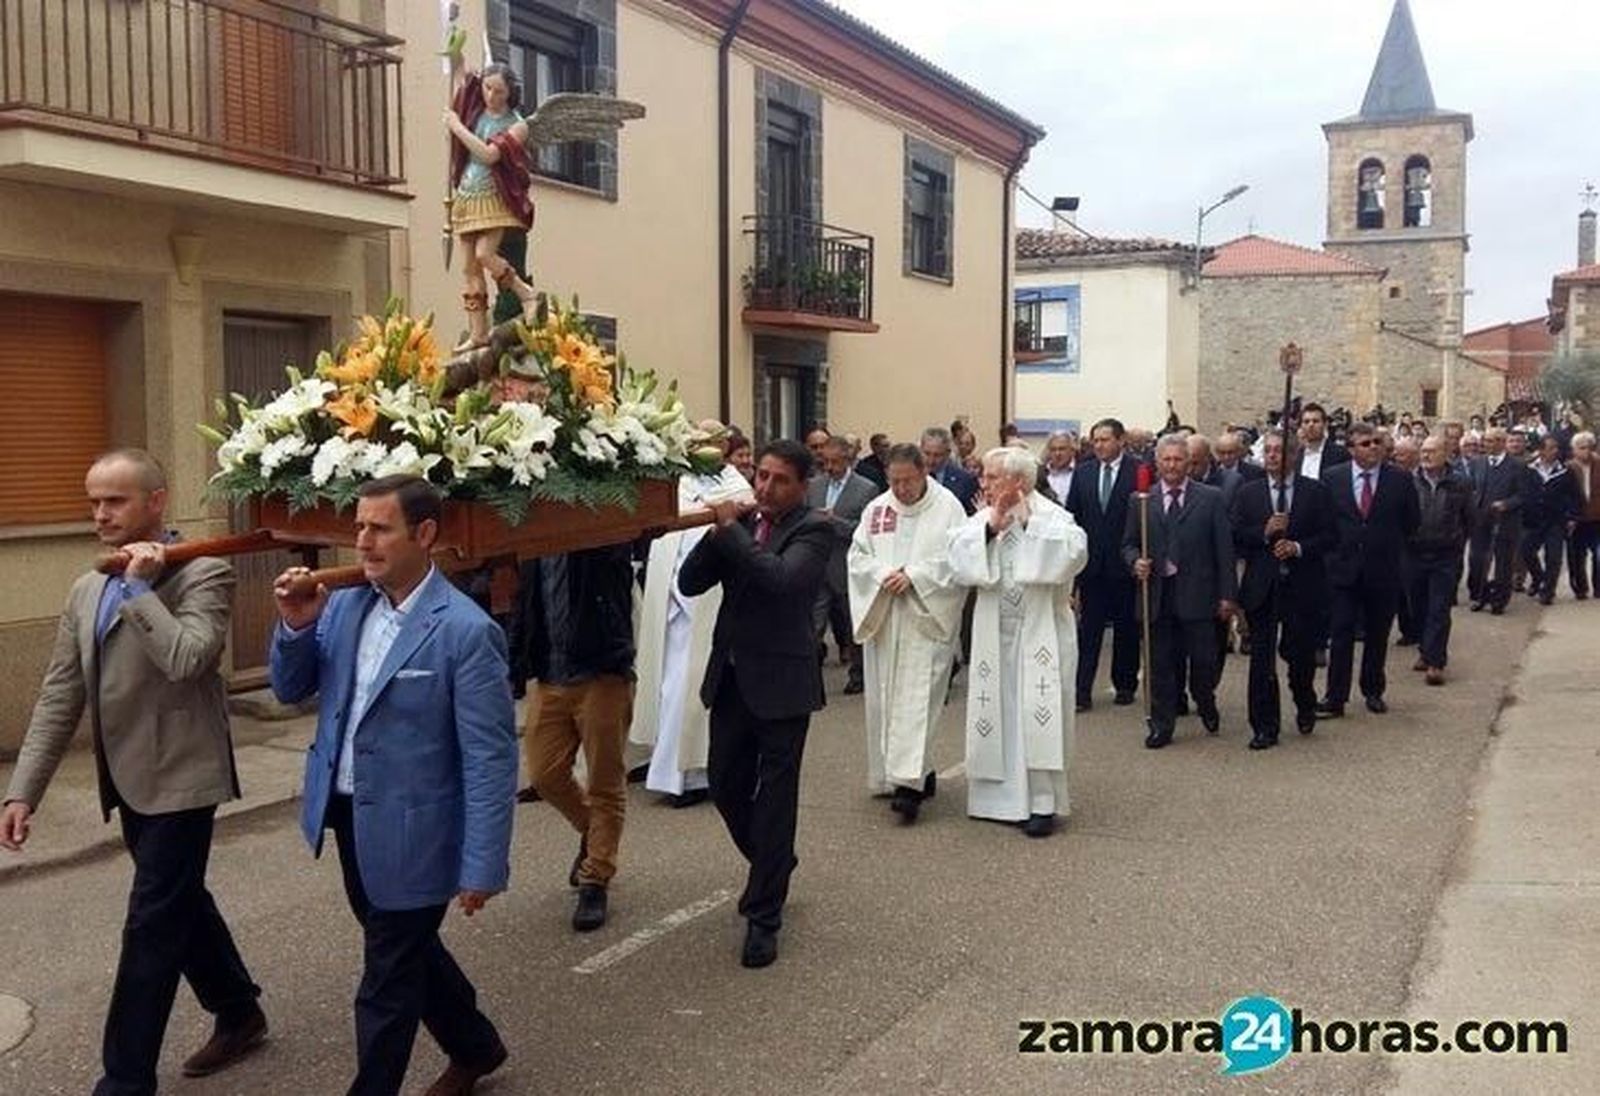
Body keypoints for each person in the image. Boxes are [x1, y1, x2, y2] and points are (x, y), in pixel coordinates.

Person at [1, 449, 265, 1095]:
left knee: (151, 922)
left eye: (114, 501)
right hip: (124, 779)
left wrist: (144, 590)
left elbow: (189, 660)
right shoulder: (87, 586)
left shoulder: (205, 575)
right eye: (93, 501)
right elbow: (62, 693)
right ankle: (238, 1011)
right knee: (180, 903)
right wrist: (22, 791)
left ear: (156, 501)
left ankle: (125, 1079)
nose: (100, 514)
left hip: (183, 774)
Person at [269, 475, 515, 1096]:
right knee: (405, 951)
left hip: (420, 830)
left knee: (386, 977)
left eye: (379, 528)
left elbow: (490, 756)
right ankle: (476, 1046)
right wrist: (296, 626)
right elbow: (290, 688)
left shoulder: (464, 630)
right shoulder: (346, 604)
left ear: (424, 534)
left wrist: (482, 861)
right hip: (350, 816)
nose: (363, 541)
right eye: (358, 527)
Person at [677, 440, 832, 969]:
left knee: (776, 799)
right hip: (734, 680)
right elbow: (689, 582)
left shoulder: (815, 529)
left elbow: (783, 582)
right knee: (724, 784)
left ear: (802, 486)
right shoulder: (741, 526)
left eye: (778, 480)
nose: (764, 488)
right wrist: (715, 535)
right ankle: (775, 862)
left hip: (784, 684)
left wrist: (733, 533)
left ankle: (763, 915)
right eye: (760, 476)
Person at [948, 447, 1087, 835]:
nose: (984, 484)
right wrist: (990, 527)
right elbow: (956, 558)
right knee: (997, 714)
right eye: (984, 476)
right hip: (995, 634)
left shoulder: (1053, 517)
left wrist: (1027, 525)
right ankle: (995, 800)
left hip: (1040, 633)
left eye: (992, 478)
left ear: (1019, 482)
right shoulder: (983, 517)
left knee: (1037, 716)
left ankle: (1042, 803)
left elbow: (1074, 555)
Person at [517, 540, 637, 931]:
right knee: (544, 775)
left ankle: (595, 878)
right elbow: (526, 599)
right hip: (550, 676)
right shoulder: (535, 541)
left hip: (602, 673)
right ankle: (593, 831)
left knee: (604, 781)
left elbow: (633, 535)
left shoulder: (603, 537)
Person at [846, 445, 967, 824]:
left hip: (925, 617)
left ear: (924, 472)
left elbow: (957, 559)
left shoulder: (947, 507)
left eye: (908, 481)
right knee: (887, 701)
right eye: (894, 481)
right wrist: (883, 575)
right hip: (885, 615)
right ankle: (913, 772)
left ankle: (908, 788)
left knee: (917, 702)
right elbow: (858, 556)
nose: (900, 489)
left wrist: (914, 575)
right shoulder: (878, 509)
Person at [631, 462, 754, 809]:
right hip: (673, 610)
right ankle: (667, 768)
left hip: (705, 610)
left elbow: (737, 515)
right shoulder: (677, 485)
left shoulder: (733, 482)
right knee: (668, 689)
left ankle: (694, 774)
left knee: (691, 691)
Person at [1124, 436, 1238, 748]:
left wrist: (1228, 595)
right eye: (1167, 460)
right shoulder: (1141, 500)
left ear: (1189, 463)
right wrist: (1136, 562)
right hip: (1158, 594)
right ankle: (1162, 725)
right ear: (1157, 463)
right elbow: (1129, 543)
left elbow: (1224, 550)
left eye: (1178, 460)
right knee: (1159, 664)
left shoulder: (1210, 497)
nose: (1172, 465)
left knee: (1203, 662)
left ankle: (1205, 699)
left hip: (1198, 594)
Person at [1230, 432, 1334, 748]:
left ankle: (1304, 699)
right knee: (1262, 658)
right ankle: (1264, 725)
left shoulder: (1315, 492)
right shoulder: (1248, 493)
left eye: (1280, 451)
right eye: (1269, 451)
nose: (1273, 456)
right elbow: (1235, 535)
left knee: (1299, 654)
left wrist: (1299, 547)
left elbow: (1331, 536)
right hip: (1263, 585)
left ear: (1294, 455)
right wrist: (1264, 533)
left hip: (1302, 585)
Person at [1317, 422, 1421, 717]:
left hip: (1383, 570)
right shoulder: (1332, 478)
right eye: (1365, 443)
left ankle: (1373, 690)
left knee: (1377, 634)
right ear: (1351, 449)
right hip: (1343, 570)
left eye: (1377, 442)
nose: (1373, 447)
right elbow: (1325, 521)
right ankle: (1335, 697)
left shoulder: (1399, 480)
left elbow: (1411, 522)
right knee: (1341, 633)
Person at [444, 62, 538, 350]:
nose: (491, 95)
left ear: (510, 93)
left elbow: (488, 154)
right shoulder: (475, 109)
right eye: (487, 88)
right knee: (470, 268)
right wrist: (455, 49)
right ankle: (478, 332)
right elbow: (460, 75)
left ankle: (526, 293)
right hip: (467, 193)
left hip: (494, 197)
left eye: (499, 91)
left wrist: (456, 126)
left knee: (486, 254)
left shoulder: (517, 125)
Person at [1063, 417, 1142, 711]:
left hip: (1125, 564)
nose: (1099, 445)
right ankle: (1081, 690)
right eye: (1095, 440)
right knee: (1089, 630)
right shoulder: (1083, 473)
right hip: (1092, 565)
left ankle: (1124, 683)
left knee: (1126, 627)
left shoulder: (1138, 471)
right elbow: (1073, 516)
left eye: (1105, 440)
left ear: (1120, 441)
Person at [806, 436, 879, 693]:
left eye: (834, 462)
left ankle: (858, 675)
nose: (829, 467)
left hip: (849, 566)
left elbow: (866, 530)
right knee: (813, 626)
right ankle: (809, 678)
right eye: (825, 462)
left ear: (848, 460)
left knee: (853, 625)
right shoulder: (813, 486)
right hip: (818, 565)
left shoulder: (866, 489)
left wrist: (833, 520)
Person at [1409, 436, 1474, 685]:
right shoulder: (1410, 481)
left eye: (1432, 451)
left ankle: (1436, 662)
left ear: (1446, 453)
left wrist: (1458, 544)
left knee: (1439, 609)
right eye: (1423, 451)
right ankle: (1426, 652)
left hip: (1445, 556)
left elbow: (1470, 519)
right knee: (1419, 607)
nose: (1426, 456)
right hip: (1414, 554)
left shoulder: (1460, 483)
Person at [1466, 427, 1526, 615]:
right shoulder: (1478, 463)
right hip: (1480, 520)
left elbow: (1524, 495)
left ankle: (1499, 600)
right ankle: (1479, 596)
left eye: (1491, 441)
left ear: (1501, 442)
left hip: (1506, 521)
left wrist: (1506, 504)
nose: (1487, 445)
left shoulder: (1517, 466)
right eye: (1486, 441)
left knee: (1503, 562)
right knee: (1477, 560)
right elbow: (1472, 488)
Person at [1521, 434, 1579, 605]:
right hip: (1533, 520)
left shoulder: (1565, 471)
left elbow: (1574, 496)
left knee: (1553, 557)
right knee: (1526, 551)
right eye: (1551, 448)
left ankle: (1548, 591)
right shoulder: (1528, 469)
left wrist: (1572, 517)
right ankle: (1539, 577)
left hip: (1556, 521)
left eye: (1556, 448)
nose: (1555, 451)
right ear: (1541, 450)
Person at [1567, 431, 1600, 599]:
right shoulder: (1569, 468)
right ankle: (1581, 588)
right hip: (1577, 519)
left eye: (1589, 447)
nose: (1585, 451)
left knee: (1598, 555)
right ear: (1574, 450)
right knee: (1577, 556)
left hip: (1597, 518)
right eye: (1581, 448)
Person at [922, 425, 979, 514]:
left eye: (937, 455)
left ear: (947, 453)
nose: (931, 460)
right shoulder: (911, 477)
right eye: (927, 453)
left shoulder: (965, 480)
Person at [1297, 403, 1349, 480]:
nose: (1311, 425)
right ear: (1301, 425)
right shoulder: (1296, 455)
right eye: (1306, 422)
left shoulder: (1339, 454)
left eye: (1316, 421)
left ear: (1325, 424)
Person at [1040, 430, 1077, 506]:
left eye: (1062, 449)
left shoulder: (1081, 473)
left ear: (1072, 450)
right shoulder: (1040, 474)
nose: (1057, 453)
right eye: (1053, 449)